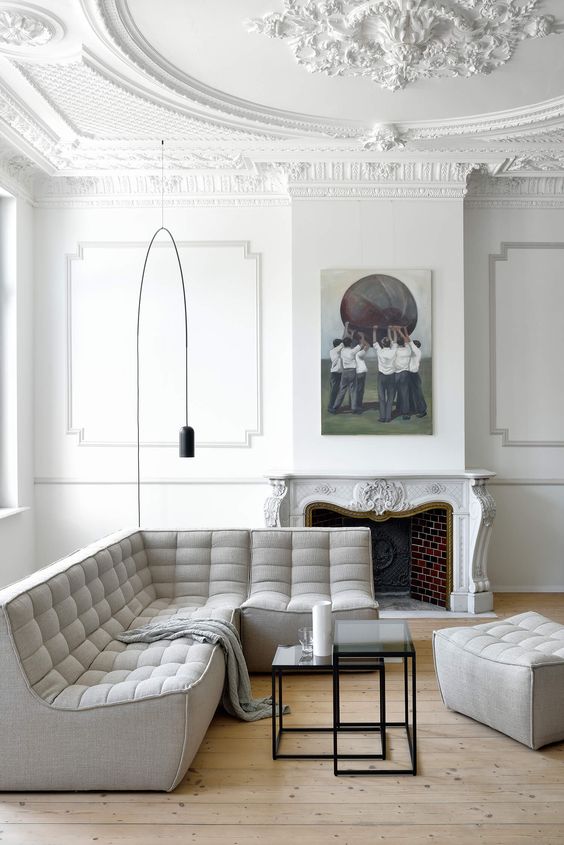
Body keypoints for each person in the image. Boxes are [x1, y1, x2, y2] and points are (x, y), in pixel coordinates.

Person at [399, 328, 427, 418]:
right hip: (410, 374)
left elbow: (407, 340)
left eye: (413, 344)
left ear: (416, 346)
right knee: (409, 393)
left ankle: (422, 410)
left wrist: (401, 331)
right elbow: (407, 341)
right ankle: (411, 409)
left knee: (417, 393)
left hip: (413, 374)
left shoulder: (417, 352)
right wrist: (403, 331)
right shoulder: (412, 352)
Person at [330, 335, 361, 413]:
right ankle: (354, 408)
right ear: (350, 344)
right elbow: (361, 345)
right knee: (353, 390)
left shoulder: (342, 351)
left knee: (342, 390)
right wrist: (361, 336)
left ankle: (335, 407)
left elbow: (344, 343)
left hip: (345, 372)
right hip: (352, 371)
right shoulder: (352, 351)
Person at [372, 326, 397, 422]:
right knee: (390, 397)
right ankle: (388, 417)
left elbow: (374, 342)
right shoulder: (393, 351)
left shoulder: (380, 351)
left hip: (382, 376)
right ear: (389, 343)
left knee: (381, 397)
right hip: (391, 376)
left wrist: (374, 330)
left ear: (382, 344)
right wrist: (393, 330)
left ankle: (382, 417)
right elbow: (394, 341)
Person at [391, 326, 413, 420]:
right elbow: (407, 340)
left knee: (392, 393)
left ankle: (388, 412)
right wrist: (400, 330)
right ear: (404, 343)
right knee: (404, 393)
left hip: (396, 373)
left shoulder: (395, 350)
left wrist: (394, 331)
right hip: (405, 373)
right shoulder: (408, 350)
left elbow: (394, 341)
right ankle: (405, 413)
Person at [352, 332, 370, 414]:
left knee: (355, 390)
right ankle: (358, 407)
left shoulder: (350, 353)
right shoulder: (359, 354)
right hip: (361, 372)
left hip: (355, 372)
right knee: (360, 390)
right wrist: (363, 337)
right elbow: (367, 346)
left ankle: (354, 406)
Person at [328, 338, 343, 412]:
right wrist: (346, 328)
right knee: (334, 391)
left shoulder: (337, 351)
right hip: (335, 374)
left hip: (338, 373)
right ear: (337, 345)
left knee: (336, 391)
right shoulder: (334, 351)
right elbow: (343, 343)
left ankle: (333, 406)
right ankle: (331, 407)